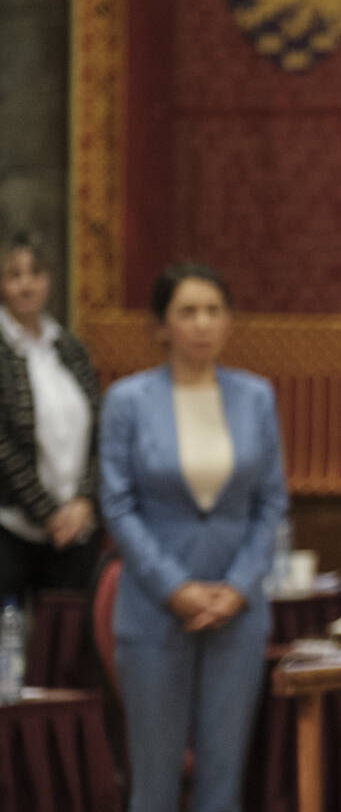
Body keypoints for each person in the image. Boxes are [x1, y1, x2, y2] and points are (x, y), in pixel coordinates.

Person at [99, 262, 288, 812]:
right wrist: (175, 588)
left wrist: (239, 587)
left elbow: (272, 502)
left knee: (222, 782)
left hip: (237, 611)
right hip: (155, 608)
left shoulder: (255, 396)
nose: (202, 323)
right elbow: (118, 504)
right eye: (187, 312)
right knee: (155, 783)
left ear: (229, 321)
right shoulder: (128, 400)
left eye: (213, 311)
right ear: (162, 326)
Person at [0, 230, 103, 600]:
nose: (26, 285)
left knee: (65, 634)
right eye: (14, 275)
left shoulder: (69, 347)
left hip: (77, 527)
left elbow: (100, 429)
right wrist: (47, 512)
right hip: (12, 529)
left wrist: (85, 500)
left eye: (36, 273)